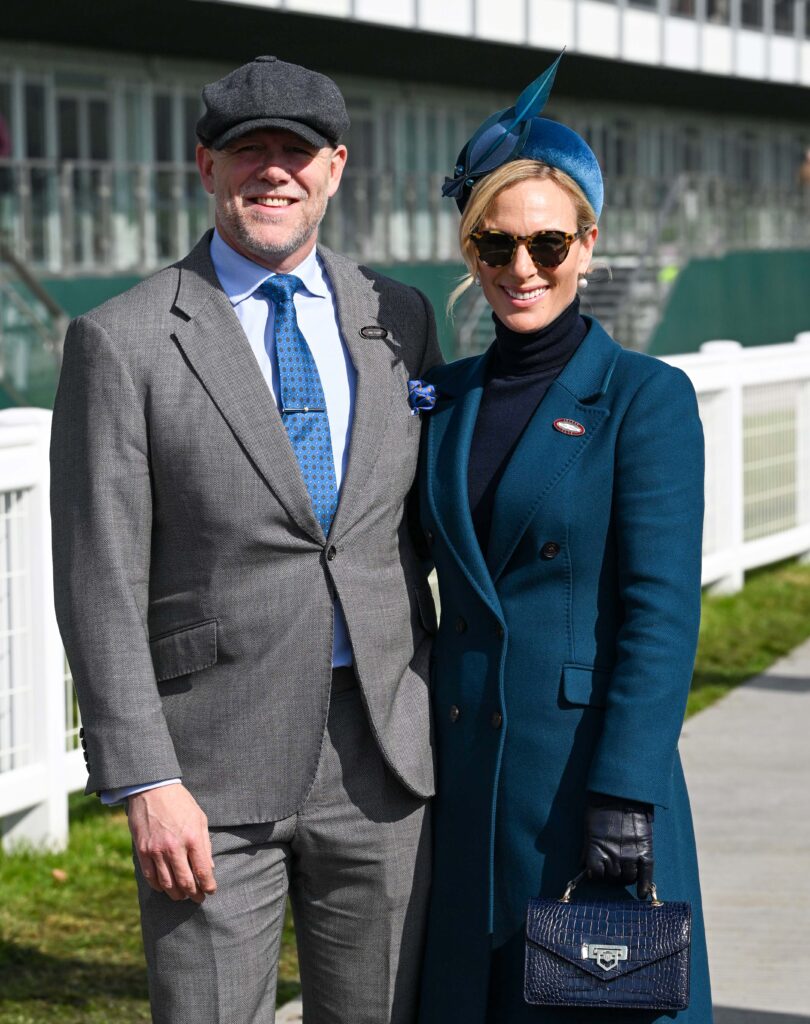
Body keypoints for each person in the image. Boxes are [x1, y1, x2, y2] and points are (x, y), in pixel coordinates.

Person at [50, 55, 442, 1024]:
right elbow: (96, 578)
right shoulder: (122, 340)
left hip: (382, 759)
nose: (274, 170)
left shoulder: (399, 317)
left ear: (336, 167)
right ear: (205, 167)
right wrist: (145, 777)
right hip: (206, 775)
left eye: (296, 151)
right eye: (247, 150)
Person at [416, 53, 712, 1024]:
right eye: (495, 248)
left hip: (584, 787)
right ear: (472, 254)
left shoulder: (644, 399)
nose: (522, 270)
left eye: (547, 244)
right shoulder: (446, 401)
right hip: (464, 786)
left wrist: (626, 792)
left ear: (589, 242)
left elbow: (661, 614)